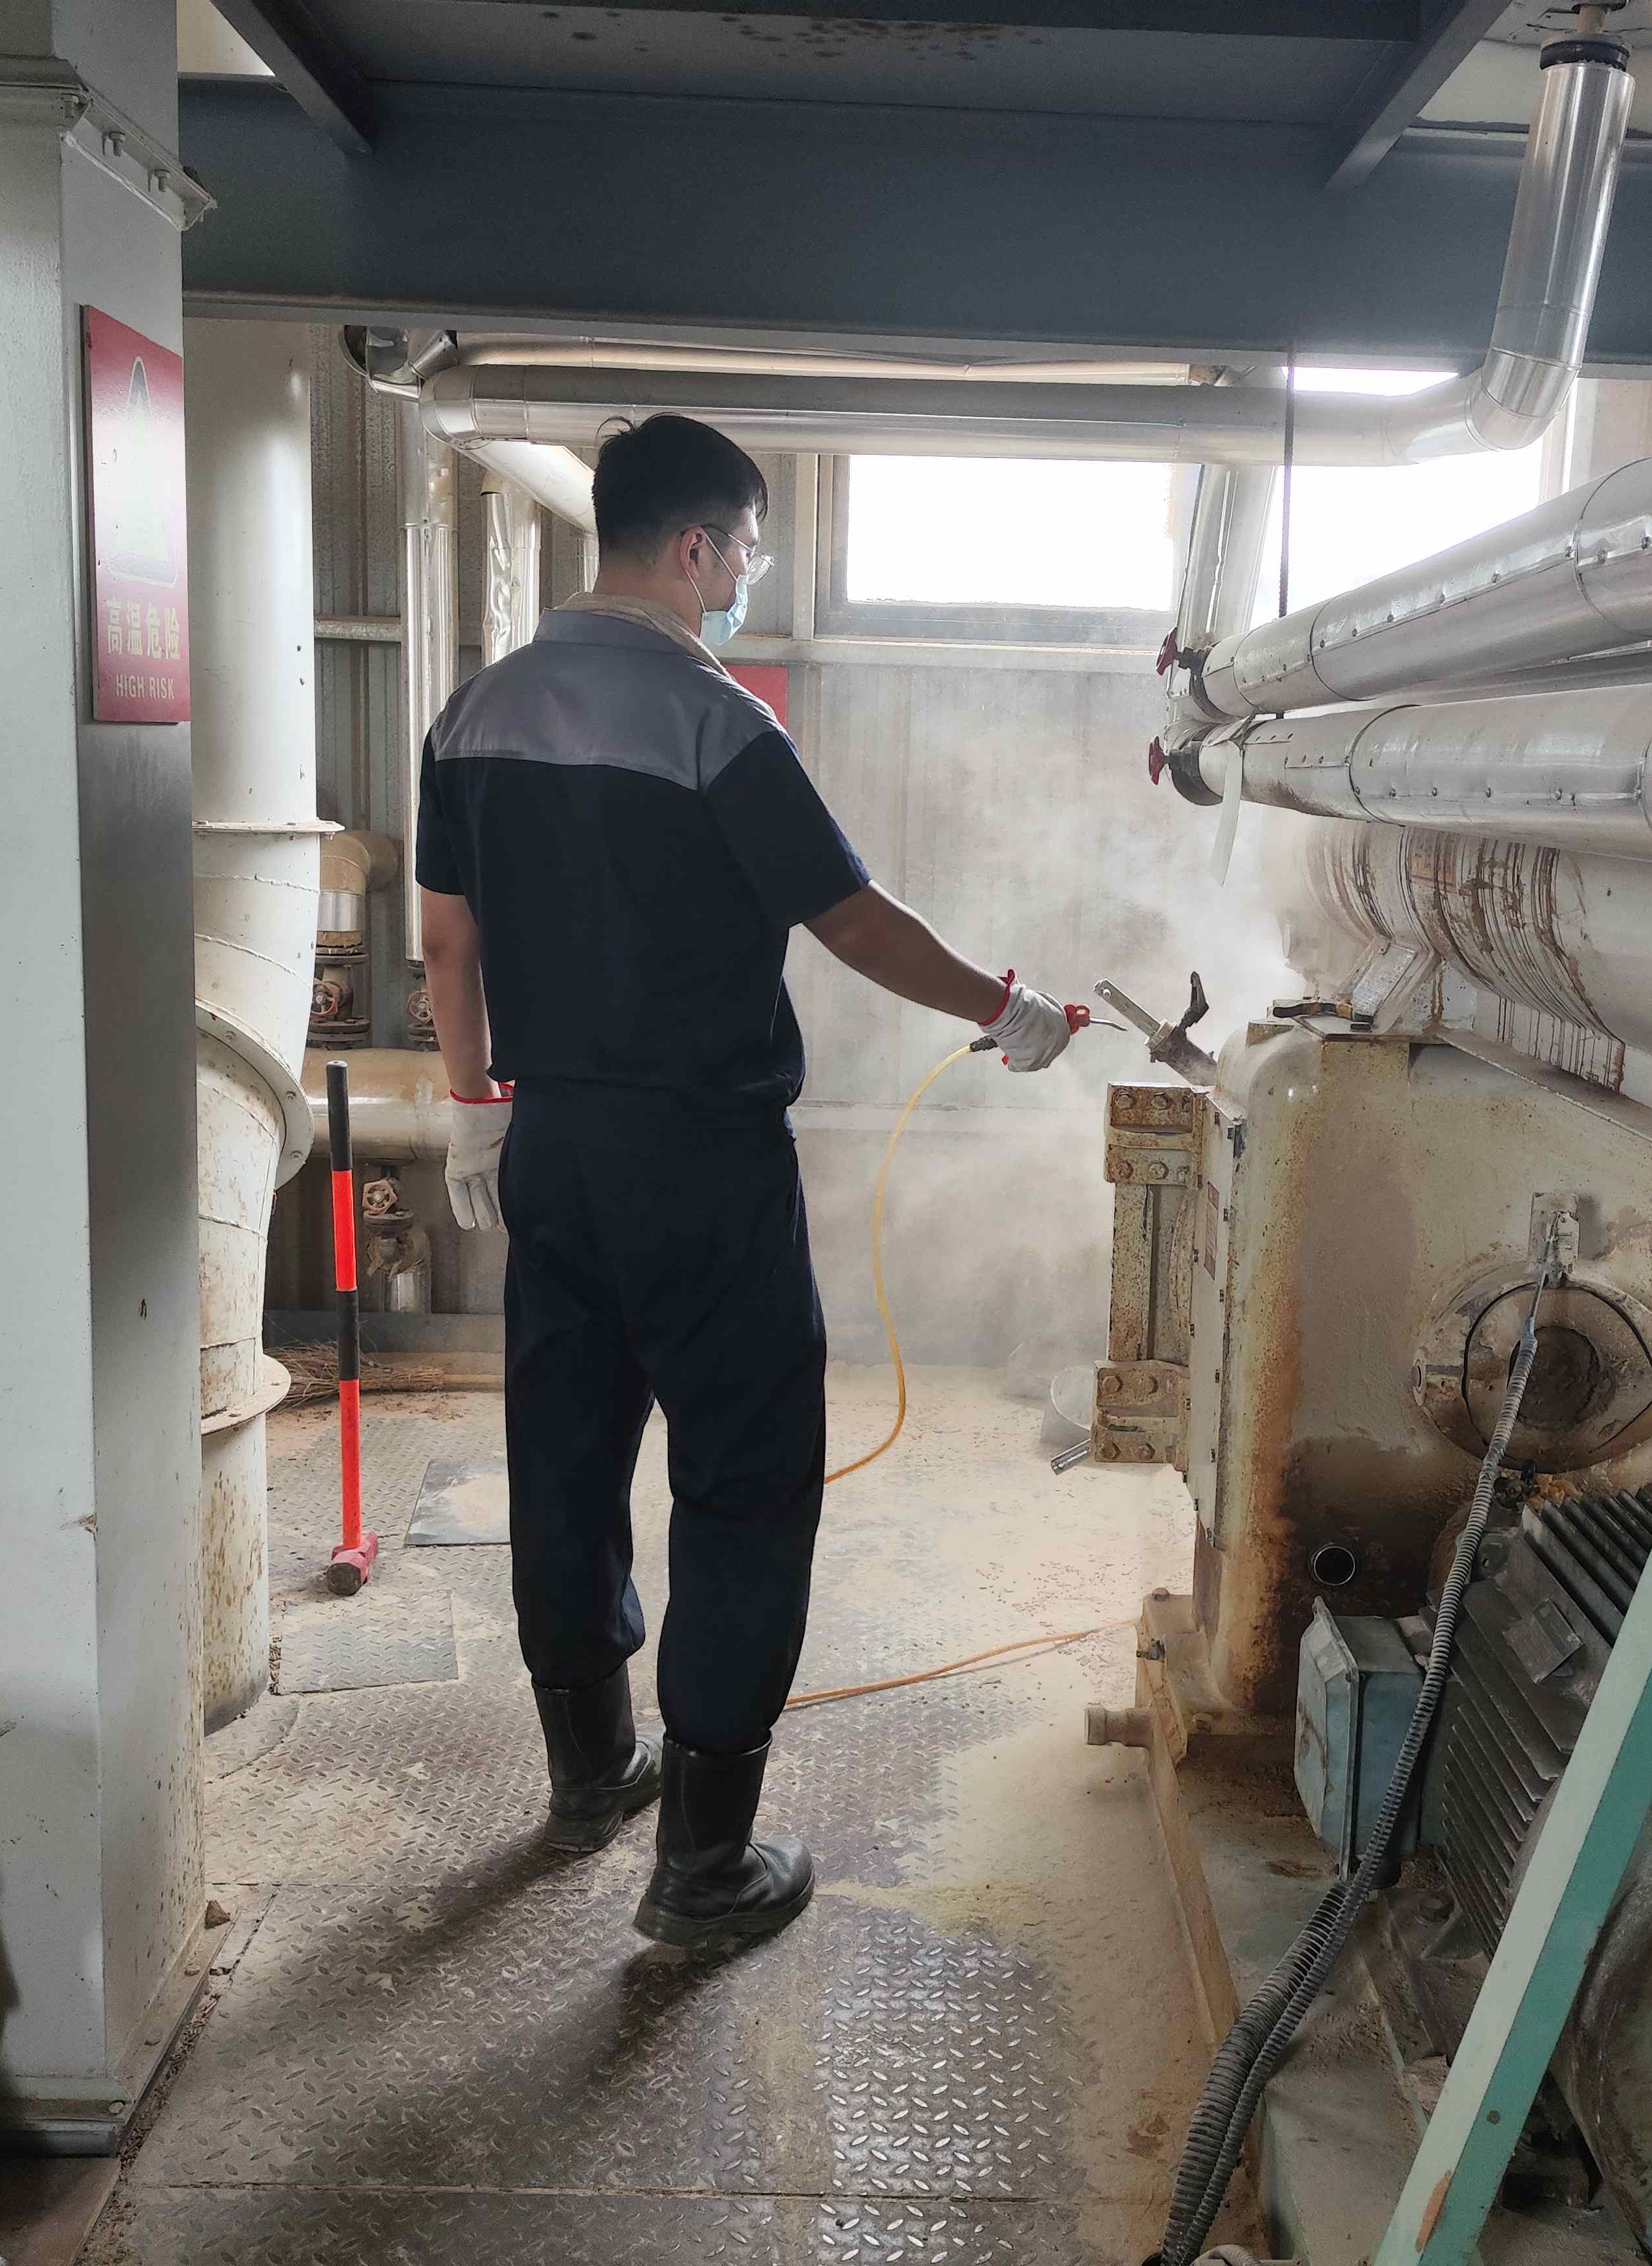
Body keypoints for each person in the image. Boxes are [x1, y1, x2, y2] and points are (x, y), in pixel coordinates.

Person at [414, 414, 1080, 1949]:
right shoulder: (717, 722)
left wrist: (471, 1109)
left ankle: (592, 1771)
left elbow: (447, 939)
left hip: (550, 1143)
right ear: (698, 545)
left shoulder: (473, 711)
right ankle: (702, 1866)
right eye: (749, 550)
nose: (747, 577)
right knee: (743, 1476)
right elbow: (850, 919)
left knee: (564, 1451)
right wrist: (1006, 1008)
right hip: (700, 1158)